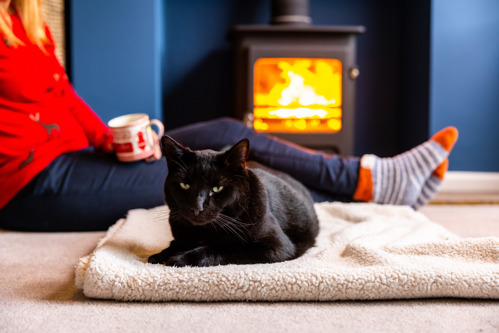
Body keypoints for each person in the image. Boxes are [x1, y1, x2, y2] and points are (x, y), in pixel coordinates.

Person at [0, 0, 458, 231]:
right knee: (223, 183)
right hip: (28, 184)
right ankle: (374, 191)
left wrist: (108, 142)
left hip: (74, 157)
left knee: (227, 133)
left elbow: (62, 92)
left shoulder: (26, 17)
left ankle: (366, 178)